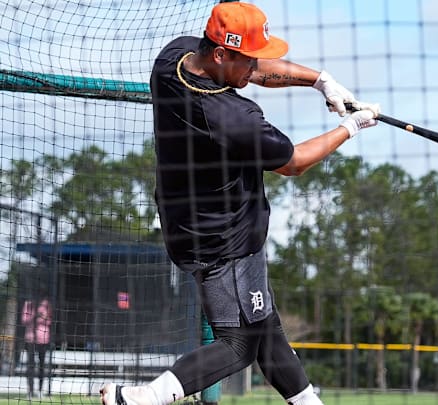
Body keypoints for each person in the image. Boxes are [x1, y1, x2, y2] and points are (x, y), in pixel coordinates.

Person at [100, 2, 379, 405]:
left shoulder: (173, 60)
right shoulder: (231, 116)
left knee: (264, 325)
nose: (254, 69)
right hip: (225, 242)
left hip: (192, 225)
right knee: (240, 343)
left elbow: (258, 70)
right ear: (220, 55)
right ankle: (141, 398)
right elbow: (294, 163)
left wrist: (321, 81)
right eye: (247, 60)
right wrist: (350, 127)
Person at [22, 295, 52, 399]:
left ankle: (40, 391)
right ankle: (30, 391)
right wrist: (35, 316)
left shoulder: (46, 304)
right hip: (30, 339)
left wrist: (42, 317)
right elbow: (24, 320)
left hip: (43, 339)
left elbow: (49, 321)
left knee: (42, 366)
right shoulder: (29, 304)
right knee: (30, 366)